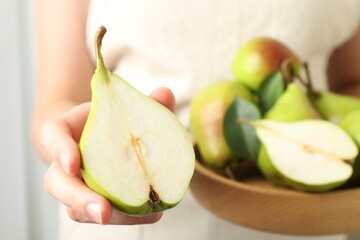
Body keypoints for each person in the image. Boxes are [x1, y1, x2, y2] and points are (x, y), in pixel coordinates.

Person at [31, 0, 360, 239]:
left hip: (299, 215)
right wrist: (69, 155)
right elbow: (58, 99)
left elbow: (350, 82)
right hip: (121, 226)